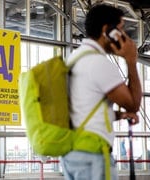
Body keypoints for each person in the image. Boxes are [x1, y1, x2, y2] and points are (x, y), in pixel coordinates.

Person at [61, 4, 142, 180]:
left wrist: (120, 116)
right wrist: (131, 61)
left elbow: (82, 110)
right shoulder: (98, 63)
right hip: (92, 153)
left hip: (71, 153)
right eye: (121, 30)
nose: (124, 36)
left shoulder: (74, 59)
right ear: (107, 30)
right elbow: (133, 104)